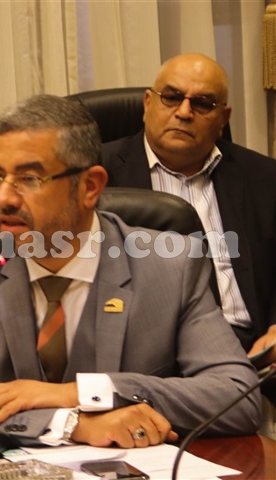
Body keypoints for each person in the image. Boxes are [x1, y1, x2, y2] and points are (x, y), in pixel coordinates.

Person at [0, 95, 261, 450]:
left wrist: (84, 392)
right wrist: (71, 423)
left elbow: (237, 396)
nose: (4, 198)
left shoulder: (171, 267)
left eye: (28, 178)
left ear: (90, 186)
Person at [100, 53, 276, 371]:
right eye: (171, 97)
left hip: (251, 353)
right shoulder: (95, 175)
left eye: (203, 103)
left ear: (223, 118)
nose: (183, 112)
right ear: (147, 104)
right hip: (147, 361)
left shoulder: (264, 177)